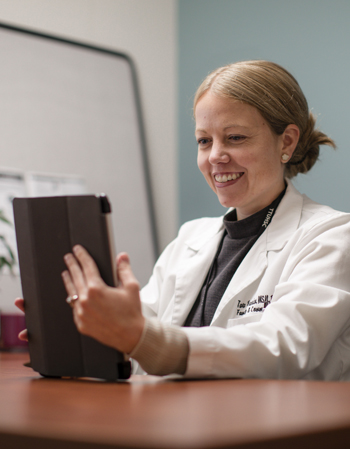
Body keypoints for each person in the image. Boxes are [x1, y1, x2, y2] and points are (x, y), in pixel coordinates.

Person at [16, 60, 350, 380]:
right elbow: (138, 343)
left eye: (235, 137)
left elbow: (283, 349)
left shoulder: (331, 237)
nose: (215, 156)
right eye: (204, 141)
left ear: (287, 142)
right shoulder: (191, 238)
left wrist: (144, 338)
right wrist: (84, 335)